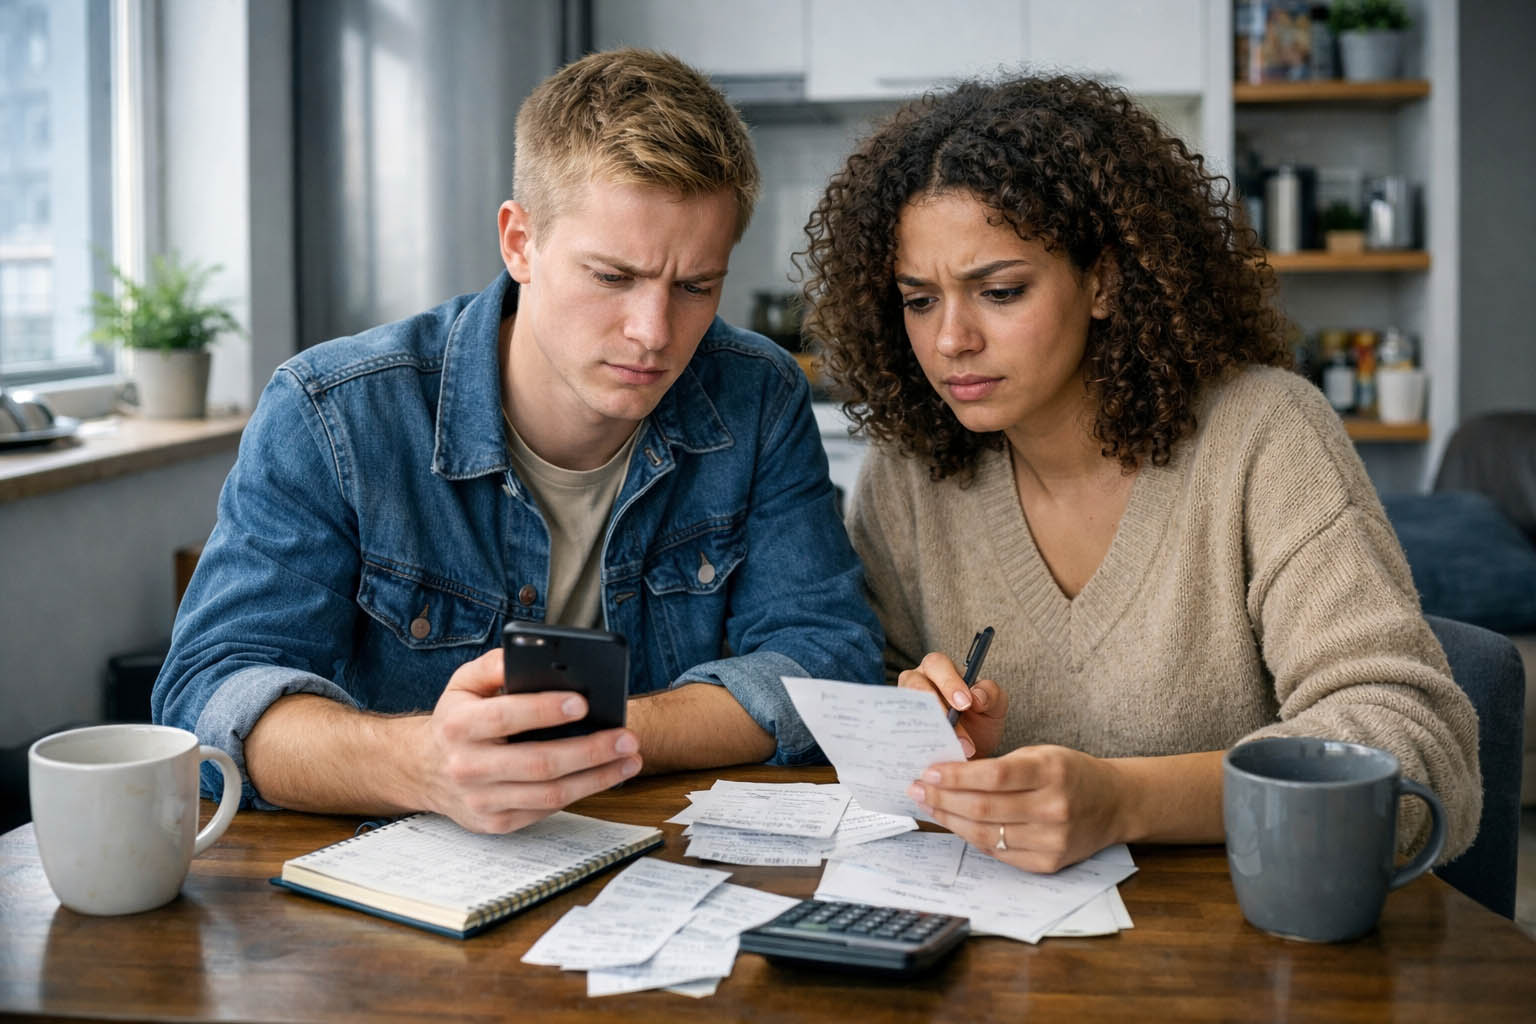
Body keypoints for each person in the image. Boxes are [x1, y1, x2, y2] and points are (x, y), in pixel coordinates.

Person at [154, 49, 882, 833]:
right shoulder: (332, 411)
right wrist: (425, 763)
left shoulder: (758, 394)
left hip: (659, 868)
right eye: (612, 276)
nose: (653, 333)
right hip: (397, 883)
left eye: (696, 286)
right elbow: (209, 697)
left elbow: (828, 663)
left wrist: (594, 737)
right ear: (519, 242)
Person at [800, 74, 1479, 874]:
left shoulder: (1262, 437)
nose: (951, 340)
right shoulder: (911, 471)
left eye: (1001, 291)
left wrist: (1126, 801)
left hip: (1246, 954)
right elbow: (873, 702)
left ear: (1105, 281)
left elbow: (1416, 749)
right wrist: (921, 737)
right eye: (919, 301)